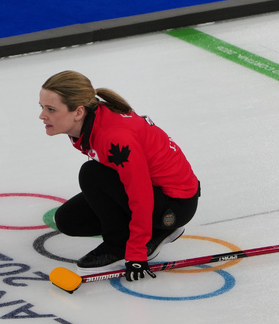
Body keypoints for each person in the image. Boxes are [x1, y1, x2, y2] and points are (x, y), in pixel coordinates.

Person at [38, 70, 201, 281]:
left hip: (174, 206)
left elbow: (140, 194)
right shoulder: (89, 121)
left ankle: (118, 244)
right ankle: (153, 233)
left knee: (92, 174)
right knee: (68, 221)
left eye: (51, 109)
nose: (42, 115)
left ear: (78, 112)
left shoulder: (115, 137)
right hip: (155, 197)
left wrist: (135, 252)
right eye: (42, 107)